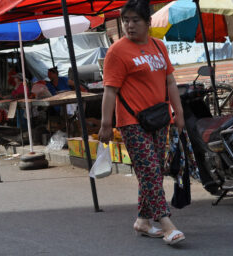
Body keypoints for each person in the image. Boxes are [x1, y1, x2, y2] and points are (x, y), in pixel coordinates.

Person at [98, 0, 186, 245]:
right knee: (149, 172)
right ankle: (166, 223)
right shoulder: (117, 51)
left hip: (159, 118)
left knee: (153, 172)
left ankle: (143, 221)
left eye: (136, 20)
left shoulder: (159, 46)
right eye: (126, 20)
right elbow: (110, 90)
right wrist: (106, 124)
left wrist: (178, 113)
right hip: (131, 122)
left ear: (148, 23)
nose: (129, 25)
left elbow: (170, 82)